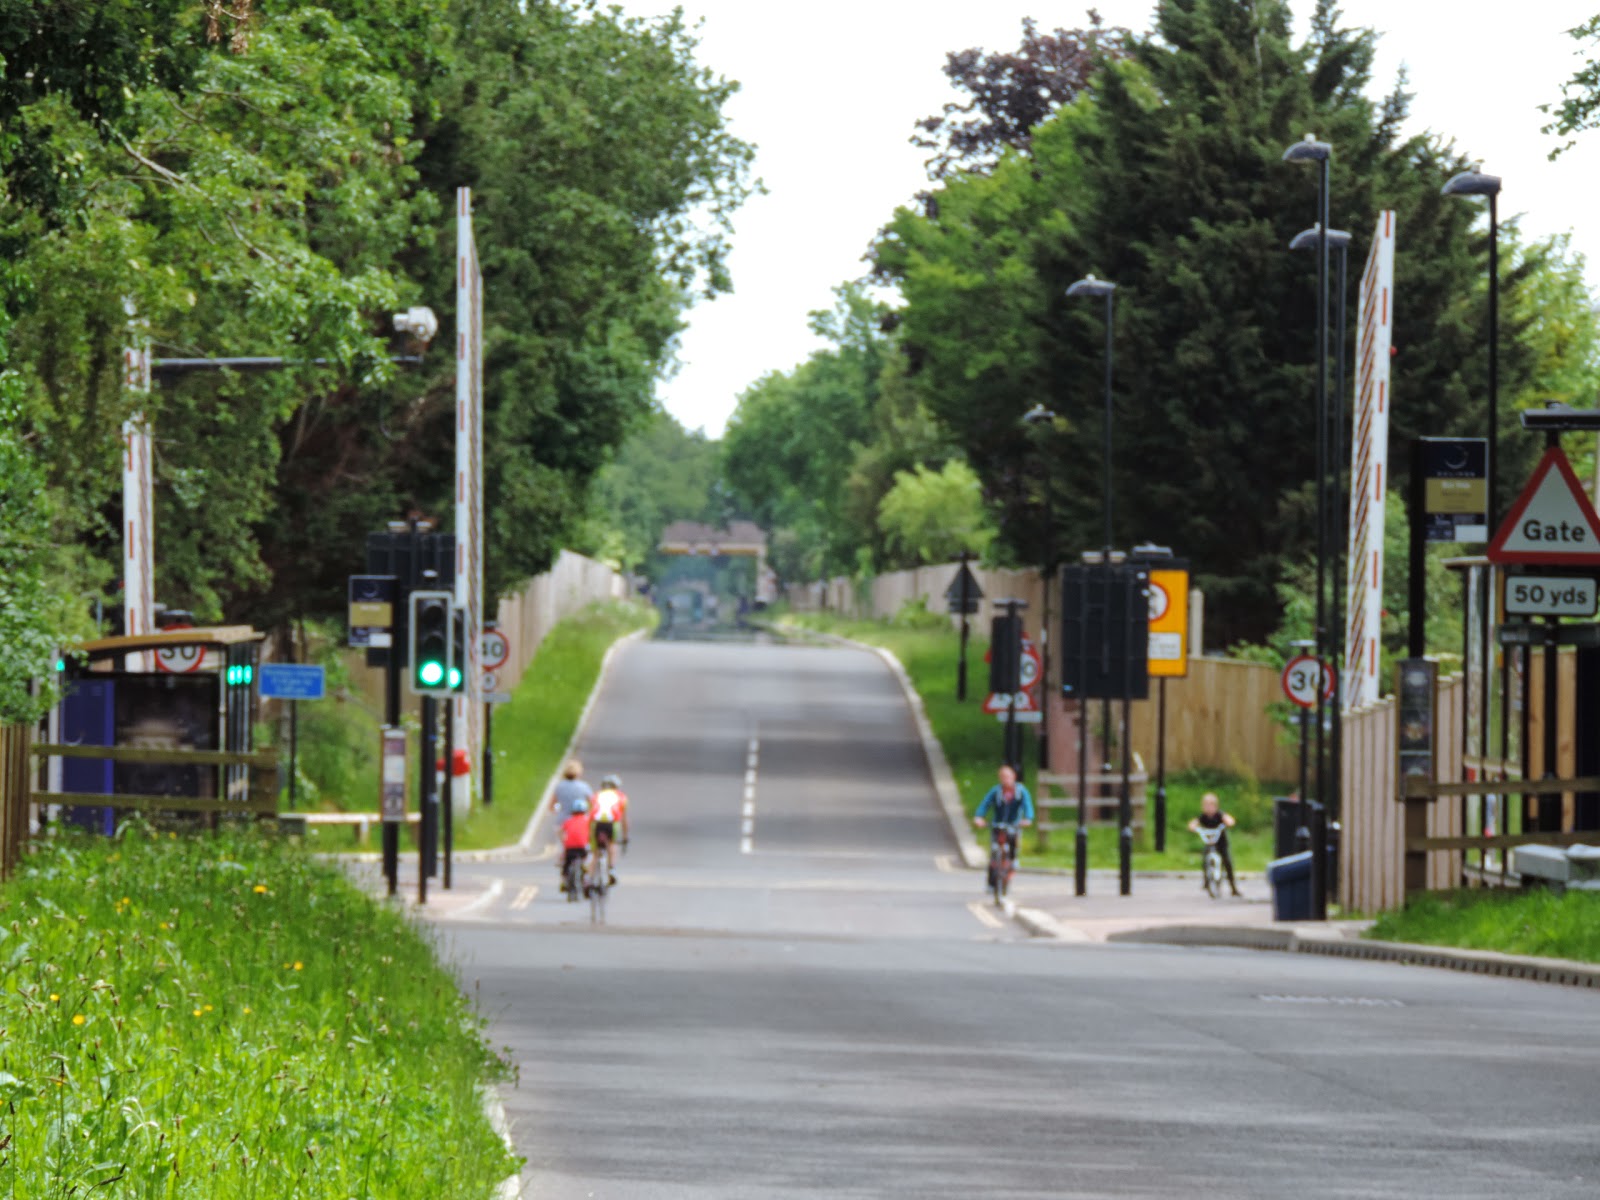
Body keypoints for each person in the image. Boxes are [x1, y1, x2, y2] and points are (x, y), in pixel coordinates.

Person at [972, 764, 1034, 885]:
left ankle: (1012, 864)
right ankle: (991, 882)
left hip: (1013, 824)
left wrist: (1028, 818)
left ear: (1014, 777)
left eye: (1008, 777)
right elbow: (985, 804)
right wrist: (979, 817)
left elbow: (1027, 806)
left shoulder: (1021, 791)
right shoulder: (996, 791)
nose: (1006, 780)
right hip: (998, 824)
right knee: (994, 851)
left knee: (1013, 846)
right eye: (1003, 777)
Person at [1188, 791, 1240, 897]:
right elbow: (1194, 822)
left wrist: (1229, 822)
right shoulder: (1203, 817)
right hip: (1210, 842)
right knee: (1205, 858)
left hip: (1221, 842)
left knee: (1227, 861)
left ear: (1215, 806)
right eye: (1206, 806)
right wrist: (1192, 826)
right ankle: (1206, 881)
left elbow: (1229, 819)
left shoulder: (1219, 815)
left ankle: (1233, 887)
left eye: (1210, 805)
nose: (1208, 808)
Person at [550, 760, 593, 882]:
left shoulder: (559, 787)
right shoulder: (584, 787)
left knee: (564, 845)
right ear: (579, 773)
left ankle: (563, 869)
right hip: (581, 822)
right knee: (586, 845)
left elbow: (552, 806)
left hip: (563, 821)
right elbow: (593, 803)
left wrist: (557, 809)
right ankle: (586, 870)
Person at [590, 774, 630, 886]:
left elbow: (589, 814)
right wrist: (626, 837)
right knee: (612, 844)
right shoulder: (621, 797)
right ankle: (611, 868)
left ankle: (589, 878)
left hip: (596, 823)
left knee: (596, 852)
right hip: (612, 824)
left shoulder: (596, 795)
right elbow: (624, 819)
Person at [559, 797, 593, 894]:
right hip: (583, 847)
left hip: (569, 848)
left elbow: (561, 832)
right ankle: (587, 882)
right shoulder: (588, 821)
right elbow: (590, 834)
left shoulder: (568, 821)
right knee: (589, 860)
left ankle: (564, 881)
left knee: (564, 862)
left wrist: (563, 841)